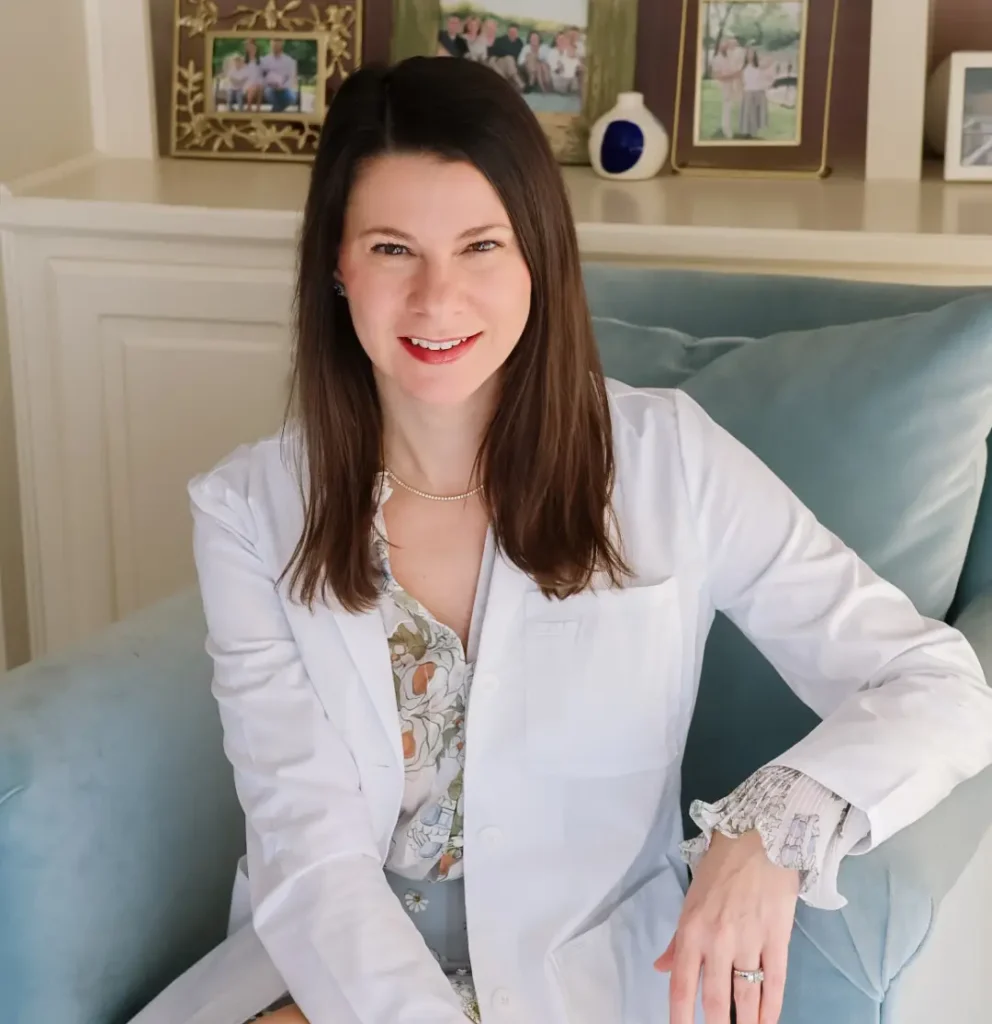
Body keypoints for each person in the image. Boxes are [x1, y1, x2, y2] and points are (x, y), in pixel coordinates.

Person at [181, 56, 992, 1024]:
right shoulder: (246, 509)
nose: (437, 300)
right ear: (337, 267)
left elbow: (935, 684)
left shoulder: (667, 461)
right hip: (333, 975)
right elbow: (305, 846)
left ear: (538, 256)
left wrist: (768, 829)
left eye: (479, 245)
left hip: (575, 973)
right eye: (393, 249)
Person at [710, 37, 745, 139]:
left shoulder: (734, 56)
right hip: (726, 86)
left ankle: (741, 129)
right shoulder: (716, 59)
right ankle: (727, 130)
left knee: (740, 106)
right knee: (727, 107)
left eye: (731, 44)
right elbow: (717, 76)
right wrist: (734, 75)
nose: (728, 46)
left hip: (737, 85)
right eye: (726, 44)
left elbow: (740, 67)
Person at [738, 47, 770, 139]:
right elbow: (741, 81)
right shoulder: (743, 67)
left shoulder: (758, 66)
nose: (750, 56)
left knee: (756, 113)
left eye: (752, 53)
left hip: (758, 91)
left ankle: (753, 132)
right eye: (748, 53)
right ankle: (747, 132)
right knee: (748, 113)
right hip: (748, 91)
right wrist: (741, 90)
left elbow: (769, 61)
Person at [260, 38, 298, 112]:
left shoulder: (289, 61)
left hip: (285, 89)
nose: (275, 46)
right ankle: (277, 113)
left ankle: (275, 112)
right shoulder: (264, 60)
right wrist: (271, 84)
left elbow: (292, 78)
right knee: (271, 93)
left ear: (282, 44)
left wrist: (282, 86)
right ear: (270, 44)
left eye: (278, 44)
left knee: (291, 98)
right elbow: (261, 77)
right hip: (270, 88)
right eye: (273, 44)